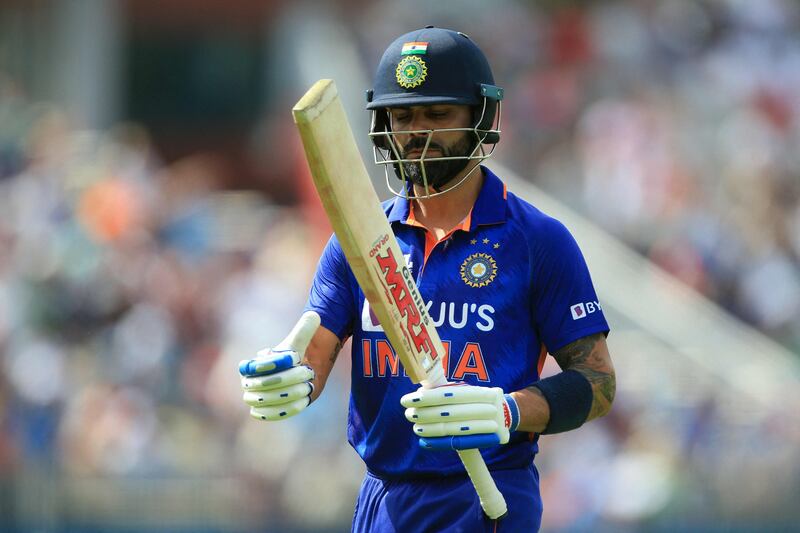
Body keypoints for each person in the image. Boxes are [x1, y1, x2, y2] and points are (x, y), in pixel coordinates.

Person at [239, 26, 615, 532]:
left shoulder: (538, 241)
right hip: (383, 500)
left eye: (439, 114)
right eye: (403, 116)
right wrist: (289, 380)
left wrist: (506, 412)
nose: (418, 131)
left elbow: (597, 382)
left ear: (480, 117)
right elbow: (316, 356)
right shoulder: (356, 241)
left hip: (487, 497)